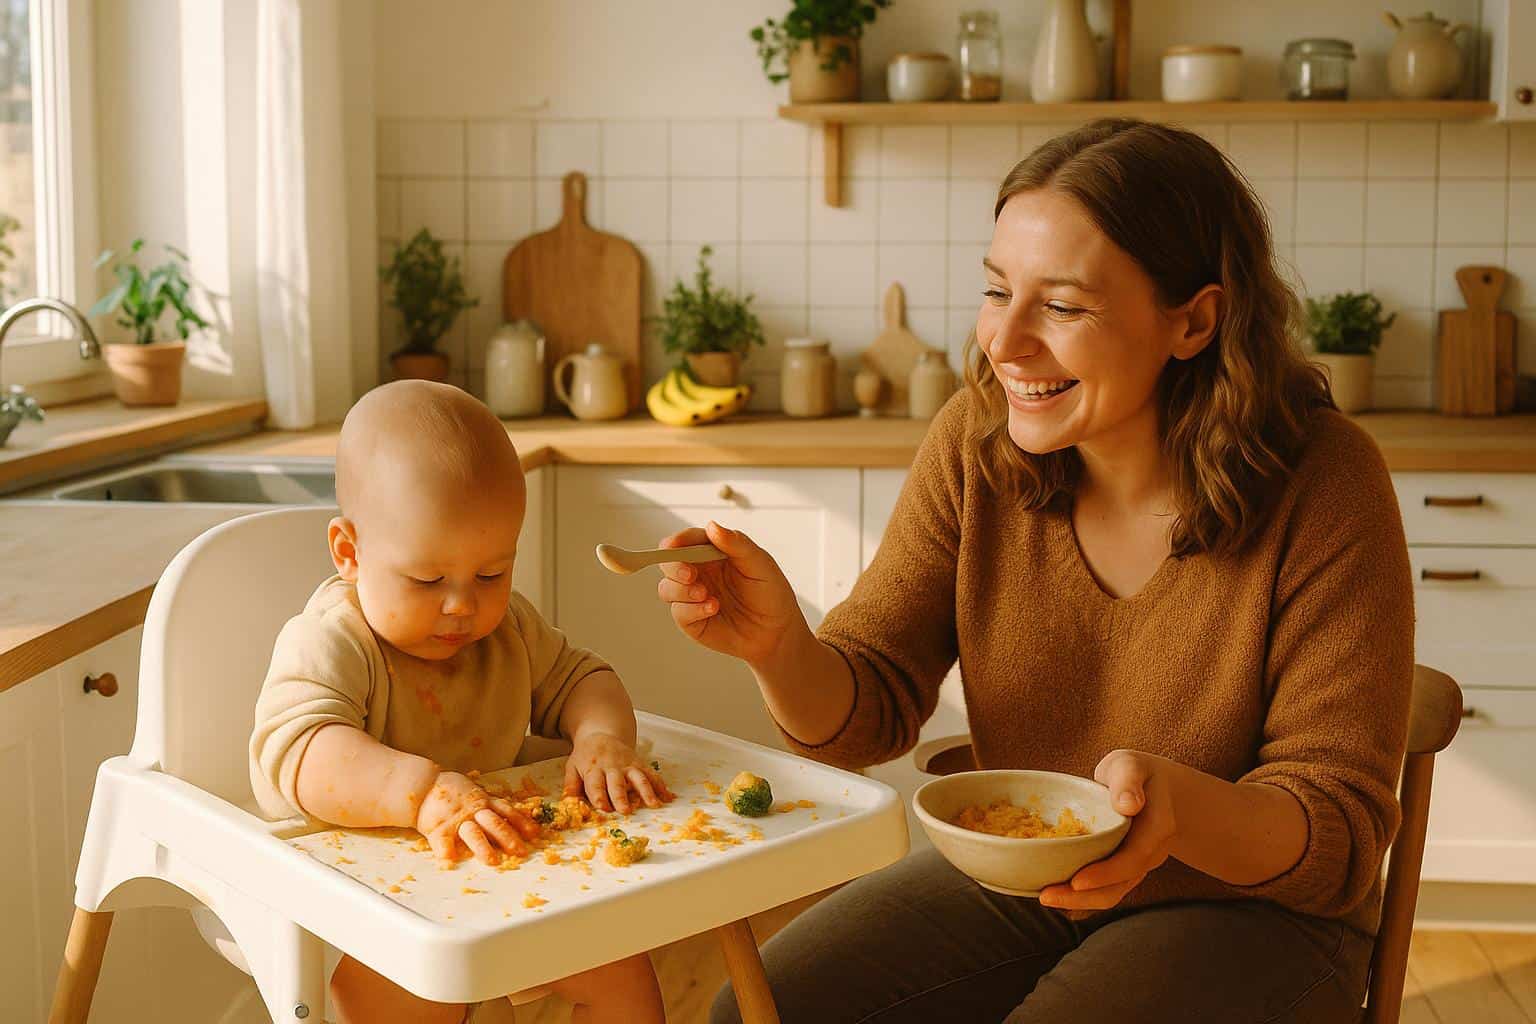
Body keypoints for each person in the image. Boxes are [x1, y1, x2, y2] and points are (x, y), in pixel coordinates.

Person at [656, 118, 1412, 1023]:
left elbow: (1339, 836)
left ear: (1196, 319)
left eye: (1061, 306)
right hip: (1033, 876)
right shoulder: (976, 445)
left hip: (1256, 913)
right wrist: (780, 650)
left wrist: (1182, 812)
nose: (1004, 344)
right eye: (995, 291)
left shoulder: (1325, 479)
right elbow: (872, 701)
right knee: (750, 1014)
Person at [249, 380, 670, 1024]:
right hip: (369, 900)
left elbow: (583, 678)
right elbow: (300, 752)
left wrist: (600, 738)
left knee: (622, 971)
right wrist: (418, 797)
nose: (462, 604)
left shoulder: (508, 633)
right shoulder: (333, 640)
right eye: (426, 580)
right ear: (349, 553)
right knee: (401, 995)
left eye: (491, 574)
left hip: (509, 875)